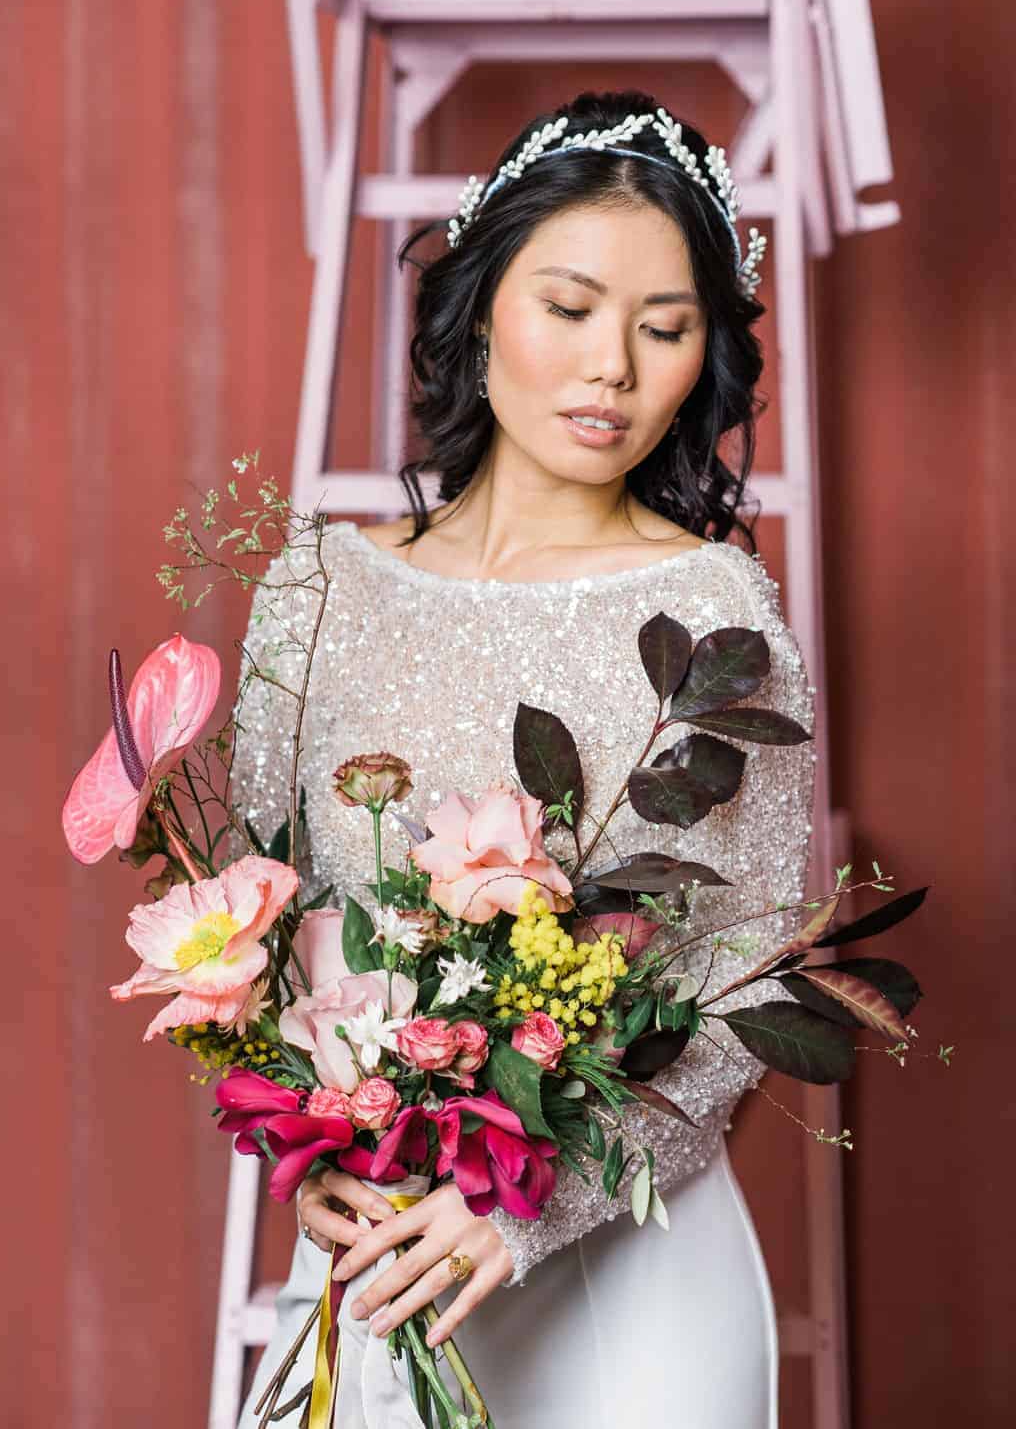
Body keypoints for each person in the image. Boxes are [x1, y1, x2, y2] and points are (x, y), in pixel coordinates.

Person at [231, 88, 816, 1428]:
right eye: (569, 307)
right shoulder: (317, 590)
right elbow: (255, 928)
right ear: (482, 303)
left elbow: (743, 981)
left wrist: (529, 1206)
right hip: (380, 1260)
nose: (612, 369)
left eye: (663, 329)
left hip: (628, 1291)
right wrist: (302, 1139)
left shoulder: (715, 614)